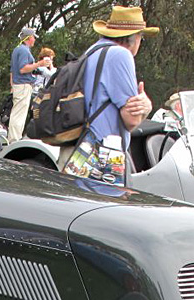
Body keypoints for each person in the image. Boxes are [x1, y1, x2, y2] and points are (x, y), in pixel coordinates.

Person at [62, 5, 157, 187]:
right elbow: (132, 120)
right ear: (133, 38)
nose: (141, 42)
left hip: (79, 152)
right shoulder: (121, 55)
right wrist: (146, 106)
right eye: (141, 37)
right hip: (102, 157)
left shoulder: (93, 51)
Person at [8, 26, 51, 142]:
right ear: (29, 38)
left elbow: (13, 70)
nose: (35, 40)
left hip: (19, 85)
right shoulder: (23, 50)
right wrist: (39, 64)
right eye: (33, 37)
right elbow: (23, 69)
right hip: (23, 86)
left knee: (18, 113)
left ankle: (14, 138)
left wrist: (12, 85)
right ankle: (14, 140)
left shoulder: (17, 49)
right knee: (19, 115)